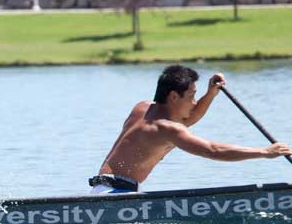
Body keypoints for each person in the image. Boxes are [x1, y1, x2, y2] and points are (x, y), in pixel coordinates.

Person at [90, 65, 292, 194]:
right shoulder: (167, 129)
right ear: (173, 97)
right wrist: (264, 152)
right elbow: (212, 150)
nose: (194, 102)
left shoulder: (142, 108)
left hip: (103, 191)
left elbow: (188, 117)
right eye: (191, 96)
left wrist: (210, 93)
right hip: (115, 196)